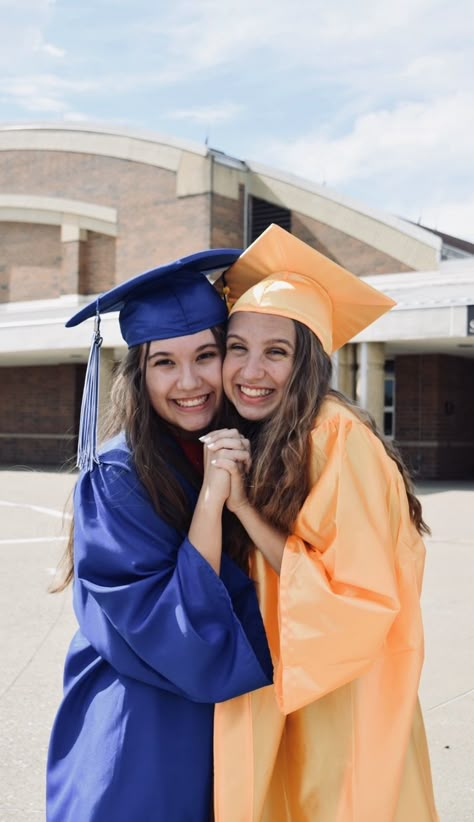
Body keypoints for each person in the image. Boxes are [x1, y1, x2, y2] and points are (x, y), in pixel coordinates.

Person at [203, 225, 439, 821]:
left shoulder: (334, 436)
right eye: (238, 347)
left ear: (306, 360)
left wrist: (244, 510)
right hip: (290, 670)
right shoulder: (272, 431)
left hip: (339, 690)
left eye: (276, 351)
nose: (251, 370)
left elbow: (353, 593)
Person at [46, 250, 273, 822]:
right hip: (142, 724)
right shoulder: (117, 476)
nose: (190, 381)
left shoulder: (231, 448)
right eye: (164, 363)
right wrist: (213, 500)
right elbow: (171, 626)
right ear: (138, 372)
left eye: (206, 355)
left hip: (222, 718)